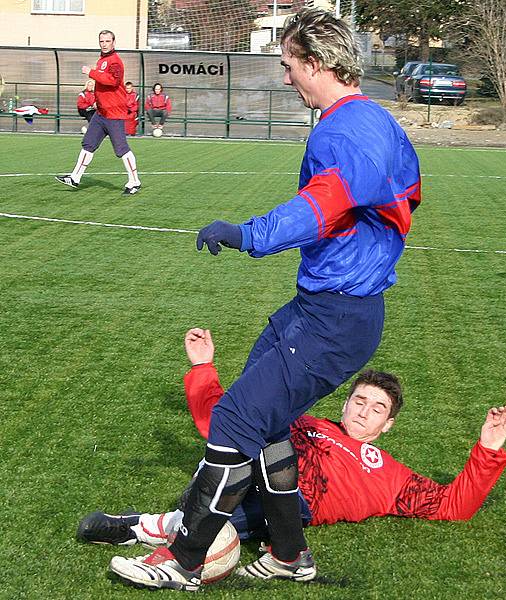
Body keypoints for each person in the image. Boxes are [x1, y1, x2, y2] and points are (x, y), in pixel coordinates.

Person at [108, 8, 421, 591]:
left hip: (336, 315)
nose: (285, 78)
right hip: (320, 307)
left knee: (235, 418)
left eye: (289, 66)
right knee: (269, 422)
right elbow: (402, 197)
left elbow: (323, 204)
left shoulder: (345, 129)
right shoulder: (374, 121)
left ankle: (184, 560)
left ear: (317, 62)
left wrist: (248, 234)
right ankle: (288, 554)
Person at [77, 328, 506, 549]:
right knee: (256, 427)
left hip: (289, 506)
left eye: (377, 409)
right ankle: (163, 528)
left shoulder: (392, 476)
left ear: (388, 426)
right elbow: (228, 420)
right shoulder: (308, 423)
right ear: (344, 404)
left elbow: (453, 506)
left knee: (241, 515)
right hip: (250, 472)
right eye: (359, 401)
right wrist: (204, 367)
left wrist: (487, 451)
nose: (364, 412)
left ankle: (145, 526)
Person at [55, 30, 142, 195]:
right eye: (102, 41)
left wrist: (91, 72)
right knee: (88, 144)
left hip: (114, 114)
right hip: (101, 113)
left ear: (113, 42)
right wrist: (98, 100)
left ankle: (135, 181)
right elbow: (103, 85)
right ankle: (75, 177)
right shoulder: (102, 60)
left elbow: (113, 81)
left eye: (107, 41)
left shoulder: (115, 61)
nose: (104, 44)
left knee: (121, 149)